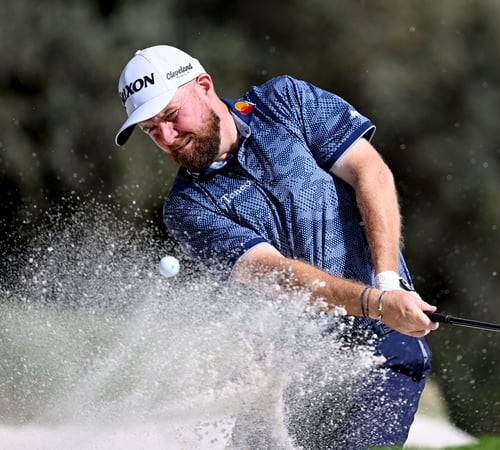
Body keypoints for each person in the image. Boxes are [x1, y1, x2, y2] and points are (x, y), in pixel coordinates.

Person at [114, 44, 439, 449]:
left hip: (383, 349)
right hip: (295, 375)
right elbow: (276, 275)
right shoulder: (188, 208)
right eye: (150, 130)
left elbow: (369, 172)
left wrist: (387, 285)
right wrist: (376, 300)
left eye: (169, 116)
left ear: (203, 86)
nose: (166, 137)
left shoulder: (285, 102)